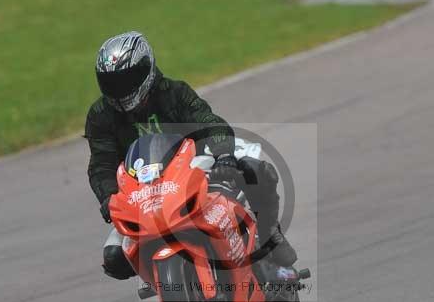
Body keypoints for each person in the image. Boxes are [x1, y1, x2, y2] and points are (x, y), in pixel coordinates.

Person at [85, 31, 297, 279]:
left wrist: (223, 157)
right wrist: (108, 198)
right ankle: (171, 285)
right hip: (140, 192)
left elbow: (210, 123)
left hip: (192, 171)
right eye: (112, 83)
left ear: (147, 70)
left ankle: (270, 233)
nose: (121, 90)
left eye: (128, 80)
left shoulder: (173, 93)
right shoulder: (101, 115)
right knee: (114, 259)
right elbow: (101, 164)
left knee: (255, 170)